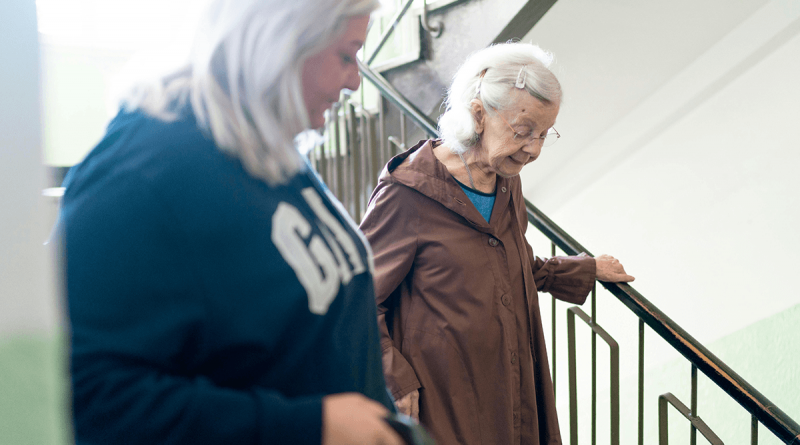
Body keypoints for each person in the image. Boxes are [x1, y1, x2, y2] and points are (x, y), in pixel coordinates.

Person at [59, 1, 406, 444]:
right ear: (280, 42)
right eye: (346, 54)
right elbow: (91, 399)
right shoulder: (142, 173)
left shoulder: (264, 149)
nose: (356, 80)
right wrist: (307, 426)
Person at [359, 42, 635, 445]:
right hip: (443, 398)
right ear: (477, 115)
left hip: (510, 387)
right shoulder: (408, 193)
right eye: (523, 132)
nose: (535, 149)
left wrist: (585, 268)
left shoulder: (506, 183)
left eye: (544, 133)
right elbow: (356, 297)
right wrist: (397, 380)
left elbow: (511, 262)